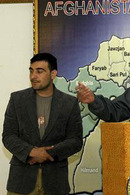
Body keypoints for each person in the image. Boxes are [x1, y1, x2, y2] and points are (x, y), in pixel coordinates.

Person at [2, 53, 83, 195]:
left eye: (39, 71)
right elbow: (8, 136)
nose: (33, 76)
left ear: (53, 74)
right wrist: (31, 152)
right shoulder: (17, 99)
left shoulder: (69, 103)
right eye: (31, 71)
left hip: (56, 183)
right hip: (21, 182)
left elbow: (75, 140)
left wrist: (48, 153)